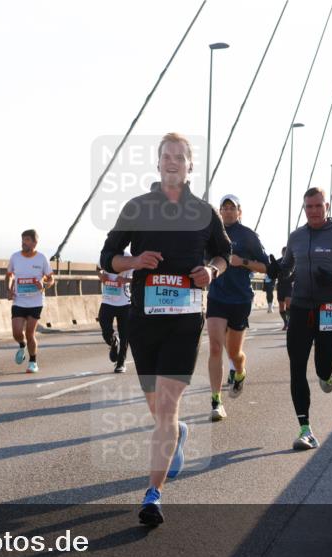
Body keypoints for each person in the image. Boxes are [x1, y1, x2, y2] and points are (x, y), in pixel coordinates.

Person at [99, 132, 230, 526]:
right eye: (166, 156)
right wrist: (136, 260)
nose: (173, 162)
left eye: (180, 157)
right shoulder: (137, 208)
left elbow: (223, 255)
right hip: (143, 322)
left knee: (168, 407)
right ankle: (177, 434)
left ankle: (152, 495)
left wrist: (211, 271)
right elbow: (109, 258)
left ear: (191, 166)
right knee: (159, 411)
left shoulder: (205, 213)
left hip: (185, 323)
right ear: (157, 164)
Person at [272, 187, 332, 450]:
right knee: (296, 367)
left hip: (329, 307)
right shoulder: (297, 237)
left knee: (322, 369)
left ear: (326, 206)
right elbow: (287, 267)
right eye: (308, 207)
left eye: (318, 206)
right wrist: (275, 269)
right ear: (304, 209)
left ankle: (328, 373)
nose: (313, 211)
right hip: (301, 308)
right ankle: (305, 429)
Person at [205, 194, 269, 421]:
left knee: (234, 353)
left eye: (233, 208)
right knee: (214, 347)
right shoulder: (211, 233)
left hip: (240, 299)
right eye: (225, 207)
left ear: (239, 212)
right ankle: (216, 401)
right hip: (216, 297)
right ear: (220, 211)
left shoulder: (248, 236)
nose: (229, 211)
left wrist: (241, 262)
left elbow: (265, 267)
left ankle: (239, 372)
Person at [6, 230, 54, 373]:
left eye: (27, 240)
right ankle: (22, 345)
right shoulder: (15, 257)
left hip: (35, 302)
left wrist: (44, 285)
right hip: (19, 300)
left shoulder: (42, 258)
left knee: (29, 333)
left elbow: (51, 278)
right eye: (22, 239)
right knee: (16, 333)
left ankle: (33, 362)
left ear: (34, 242)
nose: (23, 242)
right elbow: (9, 275)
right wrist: (9, 289)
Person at [97, 260, 132, 373]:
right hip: (108, 300)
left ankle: (121, 363)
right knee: (104, 326)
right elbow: (98, 268)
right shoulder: (107, 255)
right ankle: (113, 340)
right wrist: (101, 276)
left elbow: (141, 277)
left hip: (125, 302)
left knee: (125, 334)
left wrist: (125, 280)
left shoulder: (129, 258)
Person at [276, 245, 293, 331]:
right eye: (284, 253)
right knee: (281, 306)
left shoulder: (293, 261)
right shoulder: (278, 262)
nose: (285, 254)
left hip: (289, 285)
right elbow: (272, 272)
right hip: (280, 285)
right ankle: (285, 322)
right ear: (282, 253)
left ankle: (289, 322)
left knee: (288, 303)